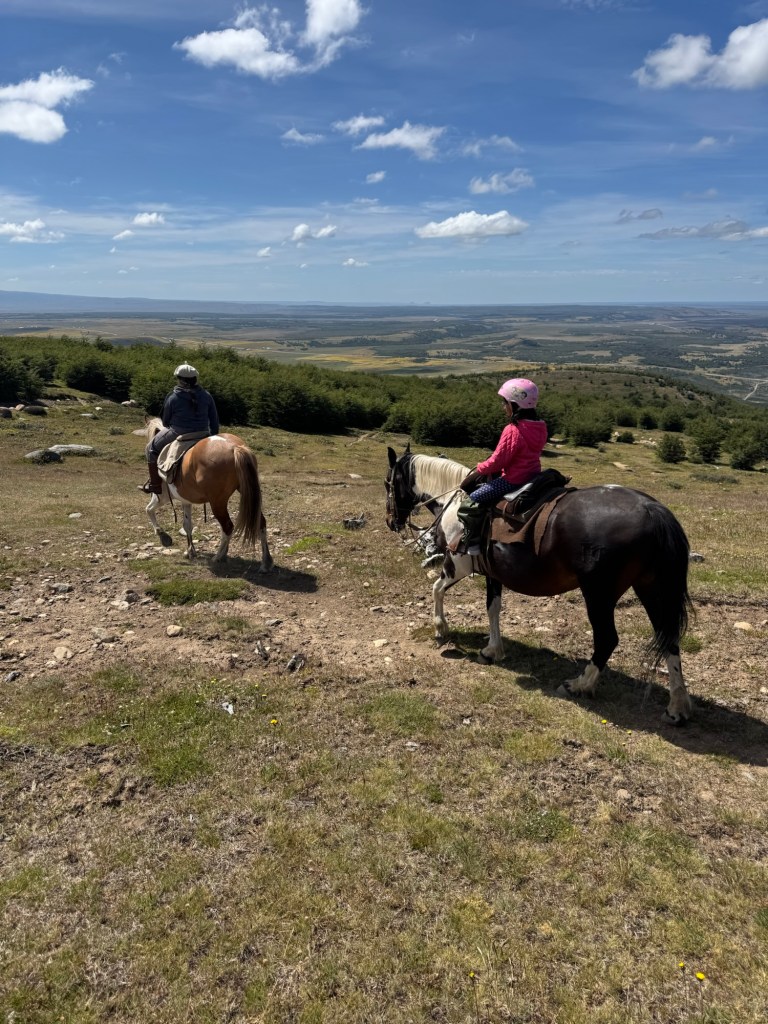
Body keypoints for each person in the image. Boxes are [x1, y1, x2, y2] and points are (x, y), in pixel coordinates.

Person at [453, 377, 548, 555]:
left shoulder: (512, 430)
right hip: (533, 476)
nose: (503, 407)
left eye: (505, 403)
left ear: (514, 405)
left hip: (513, 480)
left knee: (471, 501)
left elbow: (498, 461)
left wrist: (481, 467)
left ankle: (472, 542)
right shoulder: (540, 426)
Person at [139, 363, 220, 494]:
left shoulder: (173, 397)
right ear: (195, 379)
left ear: (180, 379)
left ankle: (155, 485)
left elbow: (165, 422)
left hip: (178, 432)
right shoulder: (206, 395)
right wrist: (212, 435)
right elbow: (214, 420)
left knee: (151, 449)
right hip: (203, 433)